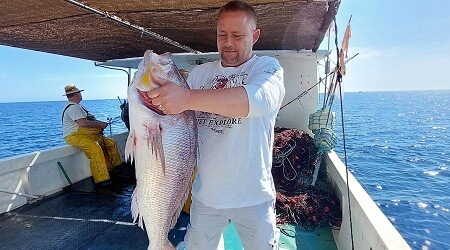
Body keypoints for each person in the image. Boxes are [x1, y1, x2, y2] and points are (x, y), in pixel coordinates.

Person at [143, 1, 285, 249]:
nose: (228, 42)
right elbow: (171, 115)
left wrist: (186, 98)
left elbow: (258, 100)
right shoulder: (199, 75)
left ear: (255, 35)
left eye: (238, 35)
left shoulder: (266, 68)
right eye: (222, 34)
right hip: (206, 197)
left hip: (253, 198)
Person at [61, 84, 122, 186]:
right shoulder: (72, 108)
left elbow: (90, 120)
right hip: (75, 136)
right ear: (76, 94)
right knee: (95, 150)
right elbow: (83, 123)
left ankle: (115, 169)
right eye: (79, 92)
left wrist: (101, 123)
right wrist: (100, 124)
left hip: (89, 135)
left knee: (110, 143)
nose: (80, 94)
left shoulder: (79, 107)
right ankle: (102, 180)